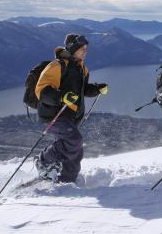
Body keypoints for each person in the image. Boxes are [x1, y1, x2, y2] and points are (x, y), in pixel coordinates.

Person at [33, 33, 108, 183]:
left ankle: (67, 180)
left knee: (75, 151)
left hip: (71, 116)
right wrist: (61, 97)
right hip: (54, 114)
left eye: (86, 48)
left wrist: (96, 89)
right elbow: (41, 90)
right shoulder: (57, 66)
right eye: (82, 48)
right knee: (74, 140)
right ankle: (43, 161)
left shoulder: (81, 67)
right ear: (73, 48)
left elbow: (83, 89)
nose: (85, 51)